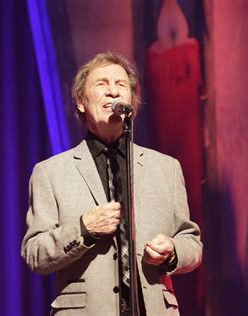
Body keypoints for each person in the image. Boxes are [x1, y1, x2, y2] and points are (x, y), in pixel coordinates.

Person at [21, 52, 202, 315]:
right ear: (81, 103)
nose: (113, 92)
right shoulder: (51, 172)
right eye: (102, 84)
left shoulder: (166, 168)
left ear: (132, 103)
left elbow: (192, 242)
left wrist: (172, 251)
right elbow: (35, 253)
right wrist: (84, 229)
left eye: (121, 86)